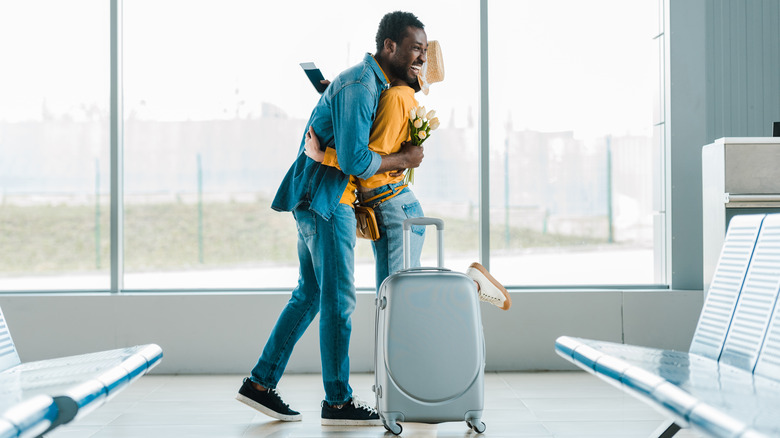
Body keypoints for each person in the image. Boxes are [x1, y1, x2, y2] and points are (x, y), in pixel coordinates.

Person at [236, 11, 428, 426]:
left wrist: (333, 97)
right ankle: (337, 402)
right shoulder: (361, 85)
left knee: (309, 294)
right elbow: (358, 161)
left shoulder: (362, 83)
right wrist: (406, 157)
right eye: (415, 49)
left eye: (425, 52)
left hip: (314, 196)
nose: (421, 58)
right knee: (338, 301)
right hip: (329, 198)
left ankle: (259, 383)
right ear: (389, 47)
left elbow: (350, 133)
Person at [304, 40, 511, 311]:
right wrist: (344, 97)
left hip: (390, 208)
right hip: (394, 205)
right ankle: (469, 285)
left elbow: (365, 161)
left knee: (397, 300)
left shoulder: (393, 99)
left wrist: (324, 157)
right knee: (401, 296)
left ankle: (470, 285)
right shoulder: (400, 98)